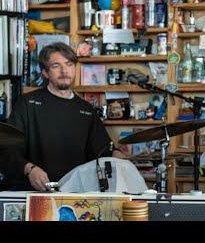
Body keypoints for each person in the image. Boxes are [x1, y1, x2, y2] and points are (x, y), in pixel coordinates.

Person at [0, 42, 125, 191]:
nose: (64, 70)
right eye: (56, 66)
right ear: (45, 72)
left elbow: (102, 151)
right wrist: (29, 168)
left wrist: (116, 154)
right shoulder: (27, 103)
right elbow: (7, 148)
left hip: (74, 193)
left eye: (69, 64)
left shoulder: (86, 110)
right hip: (31, 191)